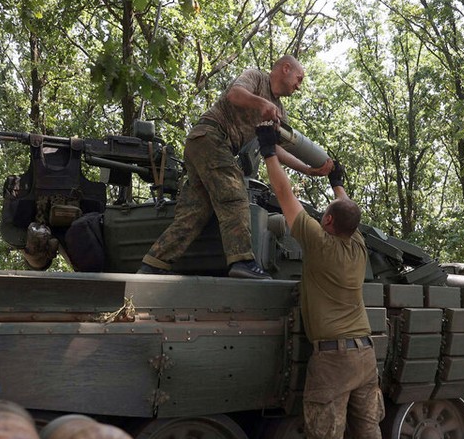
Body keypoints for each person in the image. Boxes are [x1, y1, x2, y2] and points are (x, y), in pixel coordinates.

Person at [254, 123, 398, 439]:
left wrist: (268, 153)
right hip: (363, 357)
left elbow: (284, 195)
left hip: (333, 361)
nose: (323, 216)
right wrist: (335, 178)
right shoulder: (355, 246)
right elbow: (347, 208)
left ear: (328, 222)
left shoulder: (319, 243)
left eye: (327, 213)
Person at [138, 55, 333, 279]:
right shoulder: (256, 78)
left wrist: (308, 170)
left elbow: (276, 149)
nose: (299, 86)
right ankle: (242, 261)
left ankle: (153, 263)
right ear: (285, 69)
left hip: (209, 147)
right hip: (210, 136)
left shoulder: (277, 109)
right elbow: (235, 95)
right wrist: (262, 103)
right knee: (235, 195)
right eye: (298, 79)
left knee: (194, 213)